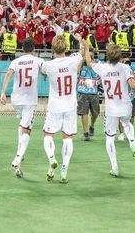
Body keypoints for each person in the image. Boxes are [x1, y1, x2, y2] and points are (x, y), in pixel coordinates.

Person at [86, 44, 135, 177]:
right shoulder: (125, 67)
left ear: (107, 55)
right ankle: (132, 143)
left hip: (111, 108)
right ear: (120, 56)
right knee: (127, 124)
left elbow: (89, 62)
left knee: (109, 138)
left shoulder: (102, 67)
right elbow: (133, 85)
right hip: (125, 105)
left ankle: (114, 166)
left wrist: (86, 48)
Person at [40, 34, 83, 184]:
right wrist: (80, 41)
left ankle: (52, 159)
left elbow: (42, 71)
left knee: (48, 134)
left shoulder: (48, 65)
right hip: (70, 105)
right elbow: (83, 53)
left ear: (52, 49)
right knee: (68, 137)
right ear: (66, 47)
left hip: (55, 105)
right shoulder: (73, 60)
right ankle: (64, 169)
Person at [0, 37, 44, 177]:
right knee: (27, 129)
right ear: (34, 48)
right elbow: (45, 70)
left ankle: (20, 154)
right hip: (29, 100)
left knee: (22, 125)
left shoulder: (16, 61)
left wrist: (2, 92)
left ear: (22, 48)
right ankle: (18, 157)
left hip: (16, 99)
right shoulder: (38, 60)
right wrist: (43, 74)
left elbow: (8, 74)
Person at [76, 47, 100, 141]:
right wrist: (82, 59)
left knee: (95, 113)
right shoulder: (81, 64)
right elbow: (77, 71)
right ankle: (86, 133)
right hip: (82, 92)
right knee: (84, 113)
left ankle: (92, 125)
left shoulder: (97, 64)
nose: (89, 57)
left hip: (94, 92)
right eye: (87, 55)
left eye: (91, 55)